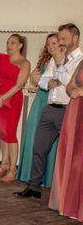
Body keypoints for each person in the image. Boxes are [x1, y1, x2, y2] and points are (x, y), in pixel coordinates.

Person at [16, 23, 83, 199]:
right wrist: (53, 79)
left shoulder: (79, 59)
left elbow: (71, 81)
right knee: (39, 148)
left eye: (63, 39)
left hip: (69, 111)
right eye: (59, 39)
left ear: (75, 39)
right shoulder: (56, 58)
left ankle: (66, 194)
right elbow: (44, 80)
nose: (60, 43)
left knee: (68, 153)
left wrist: (60, 69)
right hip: (50, 108)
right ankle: (34, 187)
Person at [16, 34, 63, 184]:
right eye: (48, 44)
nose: (51, 46)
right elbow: (34, 79)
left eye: (54, 43)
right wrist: (36, 79)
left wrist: (40, 79)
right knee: (34, 137)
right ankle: (31, 176)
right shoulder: (45, 61)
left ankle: (48, 178)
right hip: (40, 100)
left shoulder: (64, 62)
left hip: (54, 103)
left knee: (52, 142)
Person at [0, 34, 31, 182]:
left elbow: (19, 85)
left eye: (13, 43)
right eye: (8, 42)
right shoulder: (0, 58)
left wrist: (2, 98)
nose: (9, 45)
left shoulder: (24, 63)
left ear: (20, 45)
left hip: (12, 100)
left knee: (11, 133)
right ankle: (4, 163)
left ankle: (13, 168)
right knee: (3, 133)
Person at [49, 60, 83, 220]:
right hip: (76, 110)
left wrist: (81, 91)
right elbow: (70, 84)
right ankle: (72, 204)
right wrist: (73, 91)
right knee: (74, 159)